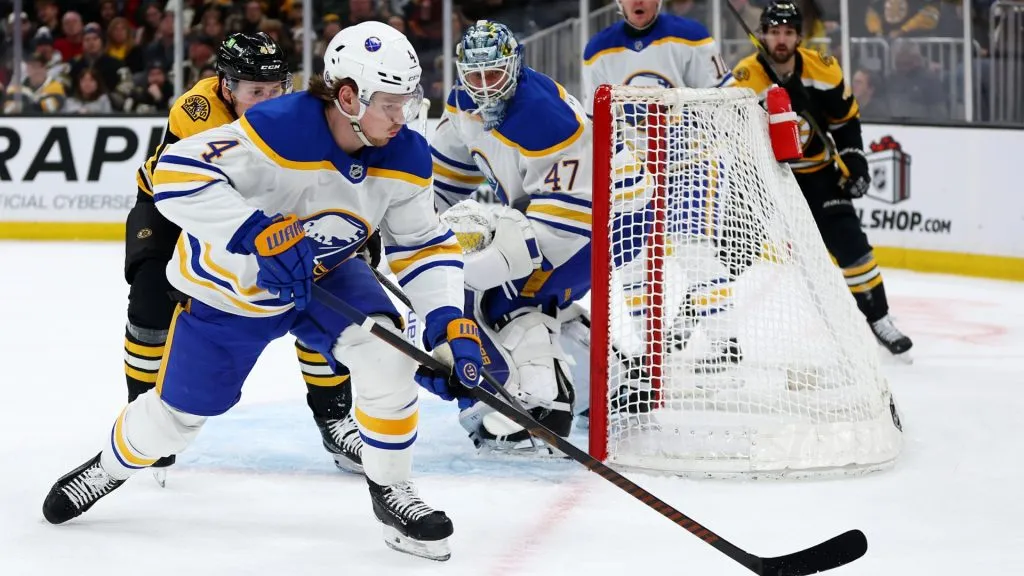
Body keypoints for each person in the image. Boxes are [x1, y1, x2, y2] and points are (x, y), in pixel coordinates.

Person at [42, 21, 482, 562]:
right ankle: (109, 467)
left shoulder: (407, 153)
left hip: (325, 276)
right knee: (174, 421)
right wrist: (253, 232)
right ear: (348, 96)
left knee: (387, 352)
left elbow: (422, 244)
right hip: (233, 287)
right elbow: (175, 175)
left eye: (408, 101)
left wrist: (449, 322)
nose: (403, 117)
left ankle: (391, 489)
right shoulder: (277, 127)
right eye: (390, 103)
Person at [123, 32, 362, 486]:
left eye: (277, 89)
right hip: (177, 202)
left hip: (268, 214)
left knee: (315, 296)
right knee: (151, 297)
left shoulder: (306, 112)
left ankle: (335, 419)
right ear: (226, 87)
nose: (270, 101)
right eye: (256, 92)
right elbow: (198, 195)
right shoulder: (197, 113)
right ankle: (142, 417)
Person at [430, 20, 649, 450]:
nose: (484, 87)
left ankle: (544, 407)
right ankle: (612, 385)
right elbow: (441, 181)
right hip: (579, 210)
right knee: (522, 288)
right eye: (474, 76)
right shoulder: (462, 103)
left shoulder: (542, 117)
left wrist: (469, 270)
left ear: (514, 67)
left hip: (615, 218)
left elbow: (561, 228)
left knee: (506, 296)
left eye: (493, 74)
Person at [726, 1, 912, 355]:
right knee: (732, 250)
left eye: (788, 32)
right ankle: (704, 319)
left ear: (799, 36)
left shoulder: (822, 69)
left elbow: (845, 122)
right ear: (763, 33)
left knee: (852, 246)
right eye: (774, 32)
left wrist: (855, 161)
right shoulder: (746, 77)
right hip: (766, 178)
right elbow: (733, 133)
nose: (781, 40)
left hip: (818, 174)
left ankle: (879, 318)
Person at [580, 0, 745, 399]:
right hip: (633, 173)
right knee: (630, 257)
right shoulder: (597, 50)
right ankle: (651, 349)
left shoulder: (691, 36)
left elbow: (724, 99)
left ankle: (726, 344)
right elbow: (595, 118)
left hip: (690, 161)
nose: (639, 2)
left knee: (691, 246)